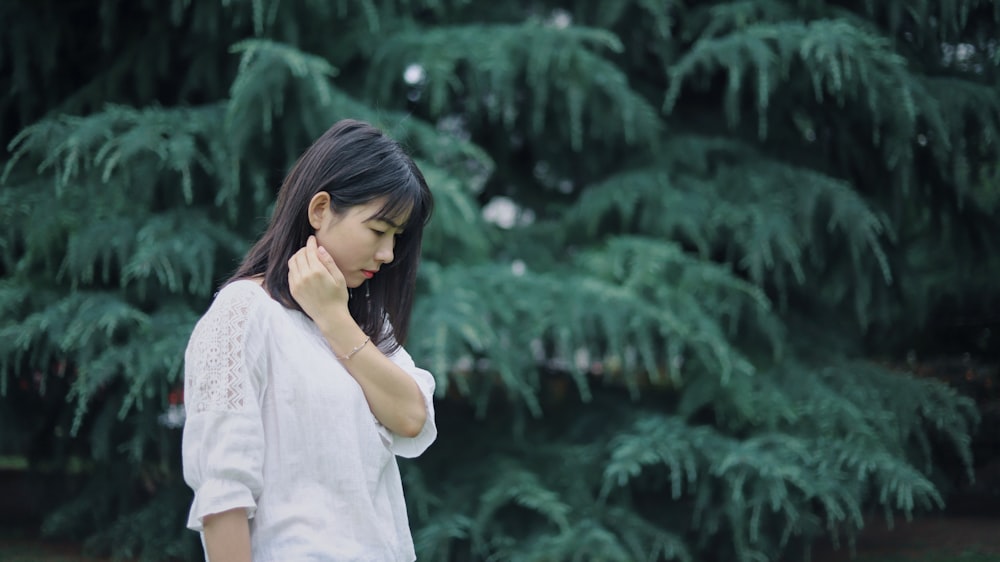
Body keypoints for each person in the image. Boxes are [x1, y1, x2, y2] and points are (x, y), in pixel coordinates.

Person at [181, 119, 437, 562]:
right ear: (320, 210)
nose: (388, 254)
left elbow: (411, 416)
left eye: (397, 237)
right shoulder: (243, 313)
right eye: (378, 231)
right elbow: (223, 494)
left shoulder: (364, 323)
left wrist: (334, 318)